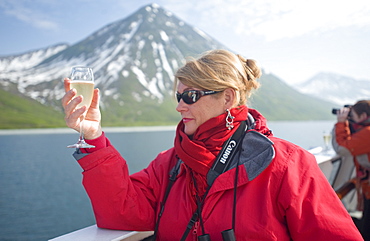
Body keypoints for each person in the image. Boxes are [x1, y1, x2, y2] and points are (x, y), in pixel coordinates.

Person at [62, 49, 363, 240]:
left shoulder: (288, 165)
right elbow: (122, 213)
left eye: (190, 96)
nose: (180, 107)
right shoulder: (170, 163)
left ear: (228, 98)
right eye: (178, 97)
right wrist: (93, 136)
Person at [335, 100, 370, 241]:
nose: (350, 119)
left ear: (362, 116)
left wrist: (341, 122)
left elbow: (343, 148)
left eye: (352, 116)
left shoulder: (367, 133)